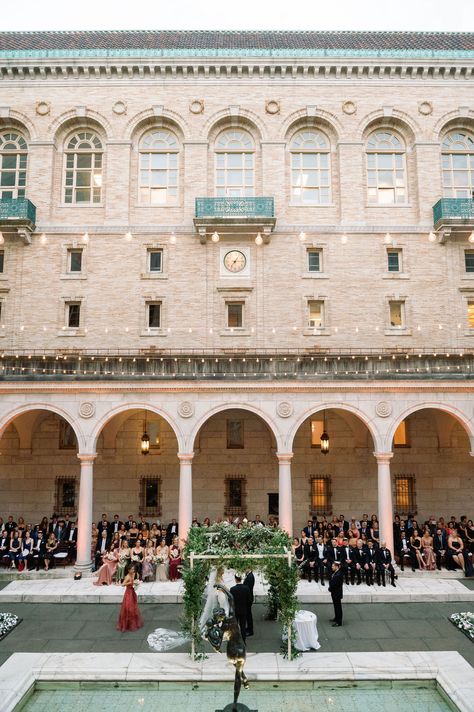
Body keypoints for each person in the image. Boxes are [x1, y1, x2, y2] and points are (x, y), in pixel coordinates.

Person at [117, 565, 144, 632]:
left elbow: (136, 578)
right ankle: (126, 624)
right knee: (128, 606)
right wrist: (131, 582)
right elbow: (123, 584)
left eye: (133, 569)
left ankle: (132, 622)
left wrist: (136, 582)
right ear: (128, 570)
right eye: (131, 569)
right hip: (128, 593)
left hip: (132, 592)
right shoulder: (127, 577)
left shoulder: (133, 574)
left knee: (133, 606)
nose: (133, 570)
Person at [230, 574, 253, 643]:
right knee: (243, 627)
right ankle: (243, 641)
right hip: (244, 610)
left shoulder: (232, 589)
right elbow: (249, 600)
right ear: (241, 579)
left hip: (236, 611)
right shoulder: (246, 588)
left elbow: (231, 601)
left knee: (235, 627)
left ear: (235, 579)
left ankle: (235, 641)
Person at [328, 561, 344, 626]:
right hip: (335, 593)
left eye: (333, 566)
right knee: (336, 607)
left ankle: (339, 622)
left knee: (338, 608)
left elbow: (334, 585)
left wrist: (330, 589)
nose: (332, 567)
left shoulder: (338, 575)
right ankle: (336, 618)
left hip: (336, 593)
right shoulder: (336, 573)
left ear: (337, 567)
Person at [243, 568, 255, 637]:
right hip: (248, 598)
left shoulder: (250, 577)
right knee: (248, 614)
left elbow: (247, 588)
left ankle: (250, 630)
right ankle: (248, 628)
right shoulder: (249, 575)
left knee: (248, 615)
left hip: (248, 599)